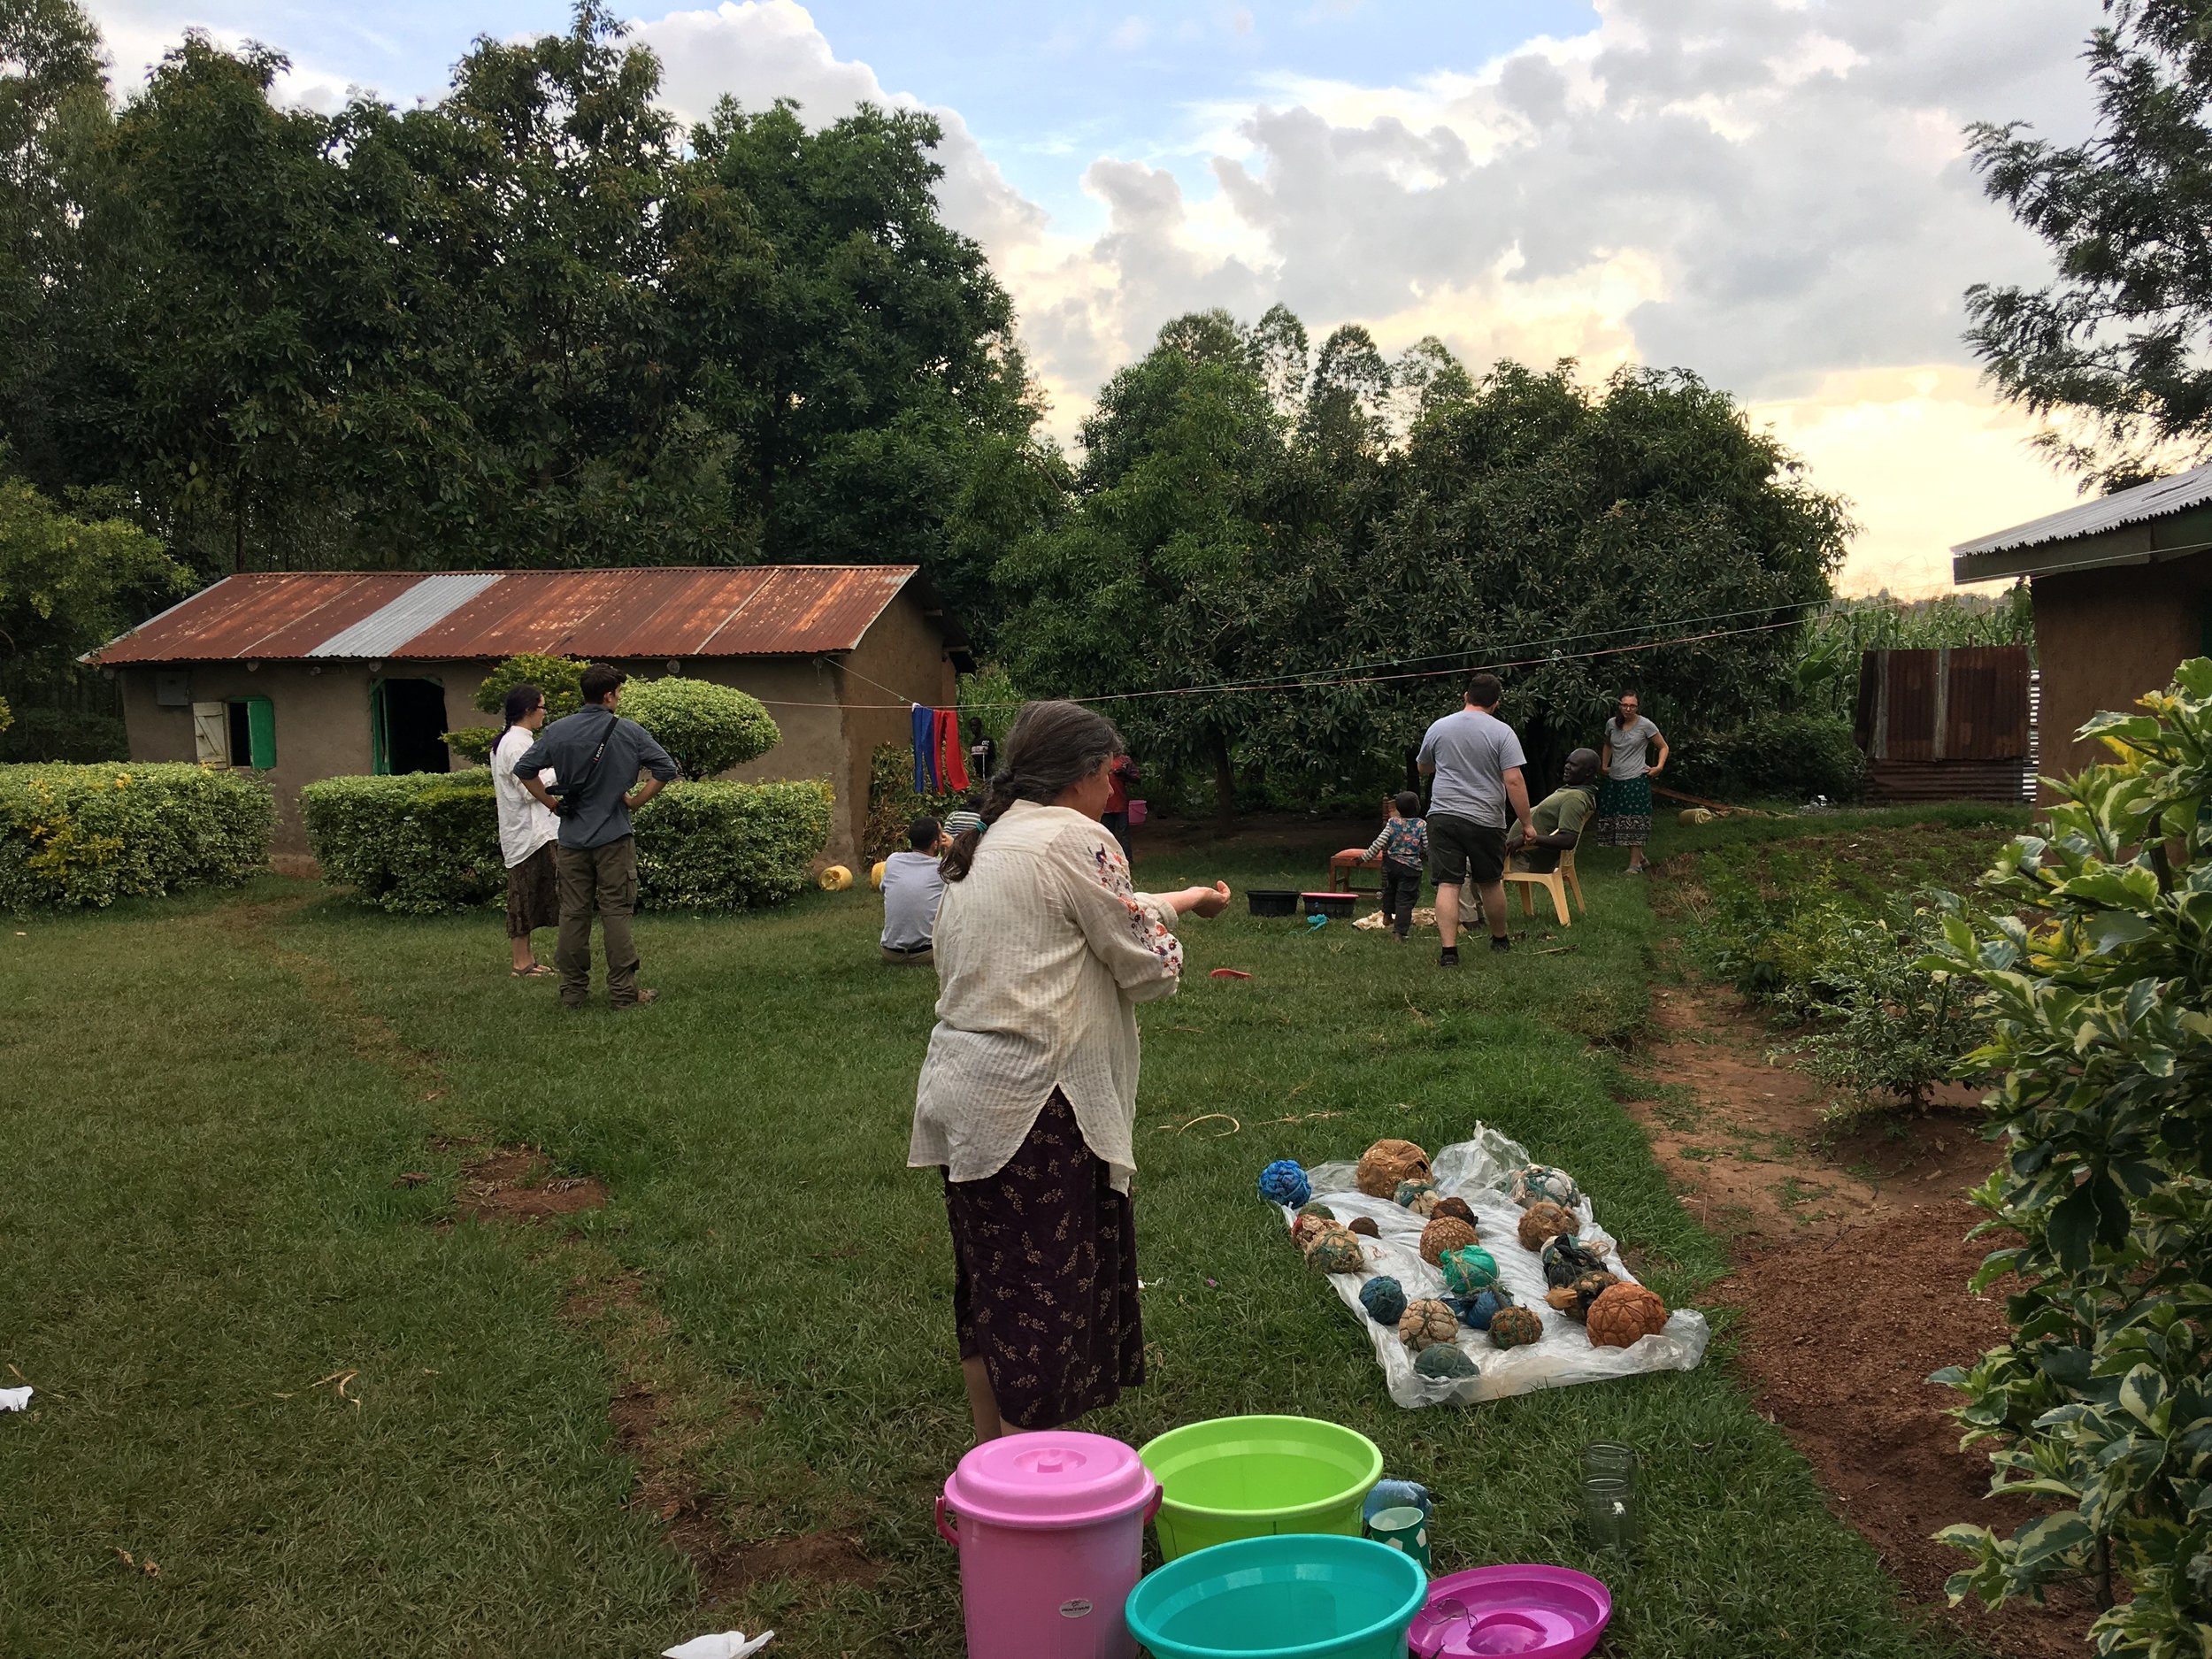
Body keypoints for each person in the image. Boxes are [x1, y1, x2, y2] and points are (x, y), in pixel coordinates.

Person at [910, 701, 1231, 1441]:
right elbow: (1147, 964)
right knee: (1047, 1304)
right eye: (1112, 774)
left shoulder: (987, 840)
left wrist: (1180, 900)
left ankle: (992, 1468)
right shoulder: (1077, 839)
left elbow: (1090, 918)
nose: (1115, 791)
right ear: (1087, 773)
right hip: (1042, 1106)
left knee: (994, 1292)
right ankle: (1039, 1499)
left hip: (967, 1098)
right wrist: (1166, 931)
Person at [512, 664, 679, 1010]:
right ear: (608, 695)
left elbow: (525, 770)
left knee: (573, 913)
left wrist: (551, 803)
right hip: (614, 837)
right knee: (615, 912)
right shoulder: (628, 732)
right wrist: (634, 801)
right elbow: (665, 769)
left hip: (572, 838)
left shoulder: (558, 731)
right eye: (618, 692)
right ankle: (623, 992)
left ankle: (573, 992)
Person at [1417, 672, 1536, 965]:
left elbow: (1423, 767)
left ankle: (1449, 953)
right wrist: (1528, 824)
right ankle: (1499, 939)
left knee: (1448, 883)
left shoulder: (1439, 727)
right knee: (1490, 881)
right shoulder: (1502, 732)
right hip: (1485, 819)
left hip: (1443, 816)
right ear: (1496, 703)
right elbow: (1514, 781)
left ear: (1465, 697)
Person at [492, 684, 561, 978]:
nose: (545, 714)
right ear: (529, 710)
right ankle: (520, 962)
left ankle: (528, 960)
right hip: (528, 835)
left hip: (533, 831)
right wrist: (562, 768)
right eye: (543, 708)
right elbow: (529, 789)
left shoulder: (516, 741)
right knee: (522, 896)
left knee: (533, 895)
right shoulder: (515, 744)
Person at [1595, 692, 1670, 874]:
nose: (1628, 709)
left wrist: (1659, 767)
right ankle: (1641, 859)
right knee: (1619, 821)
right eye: (1625, 705)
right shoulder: (1612, 724)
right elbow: (1608, 744)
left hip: (1636, 779)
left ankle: (1634, 865)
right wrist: (1604, 765)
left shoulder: (1645, 725)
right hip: (1616, 779)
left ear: (1637, 707)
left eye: (1632, 706)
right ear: (1620, 705)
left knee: (1634, 821)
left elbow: (1663, 746)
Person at [1507, 748, 1602, 874]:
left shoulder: (1575, 798)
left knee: (1475, 865)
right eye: (1567, 763)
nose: (1567, 767)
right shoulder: (1572, 792)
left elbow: (1569, 839)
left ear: (1588, 772)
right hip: (1517, 852)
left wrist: (1529, 840)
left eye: (1573, 765)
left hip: (1523, 858)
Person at [881, 817, 948, 964]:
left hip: (890, 952)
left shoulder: (893, 860)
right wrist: (953, 846)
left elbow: (884, 889)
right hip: (926, 953)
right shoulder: (942, 868)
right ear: (936, 843)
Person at [1363, 790, 1427, 941]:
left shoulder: (1392, 822)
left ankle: (1386, 915)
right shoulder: (1421, 825)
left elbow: (1379, 842)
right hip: (1411, 867)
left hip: (1391, 865)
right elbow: (1428, 845)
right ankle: (1399, 932)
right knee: (1406, 899)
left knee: (1390, 890)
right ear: (1417, 807)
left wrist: (1365, 857)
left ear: (1398, 809)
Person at [1100, 753, 1140, 862]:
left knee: (1124, 834)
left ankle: (1127, 859)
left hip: (1120, 803)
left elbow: (1137, 779)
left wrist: (1124, 775)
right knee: (1107, 834)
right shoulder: (1099, 759)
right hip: (1105, 805)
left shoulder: (1124, 760)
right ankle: (1108, 860)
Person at [966, 718, 996, 788]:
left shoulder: (987, 740)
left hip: (987, 775)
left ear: (979, 726)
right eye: (971, 726)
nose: (973, 728)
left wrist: (991, 773)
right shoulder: (972, 743)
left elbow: (993, 757)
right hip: (976, 776)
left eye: (975, 725)